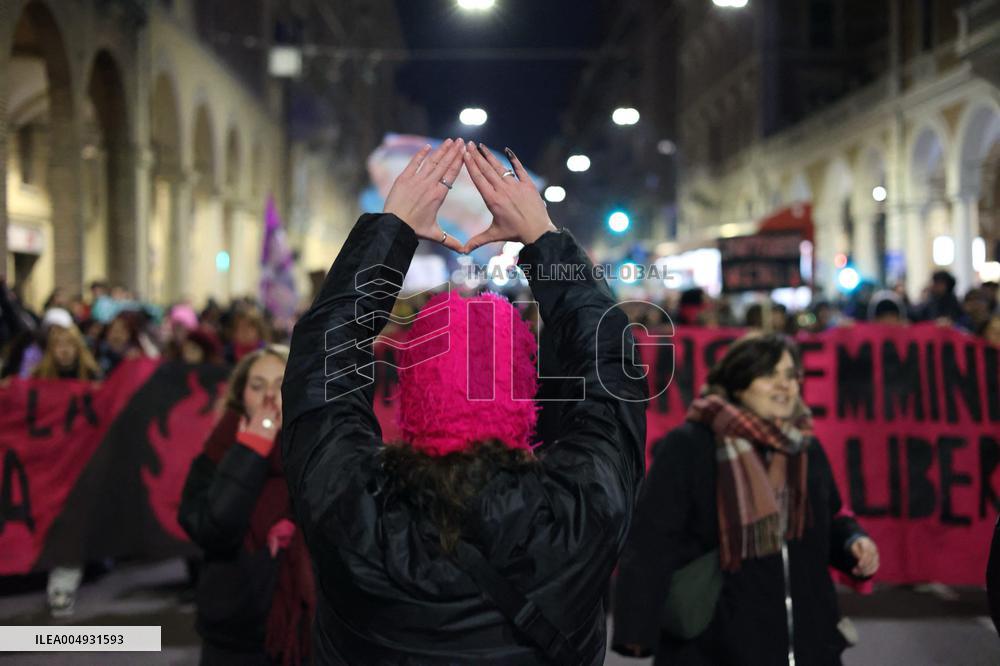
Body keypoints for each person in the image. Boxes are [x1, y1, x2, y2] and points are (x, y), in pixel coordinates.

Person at [280, 138, 647, 664]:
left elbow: (321, 360)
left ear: (412, 390)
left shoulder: (351, 507)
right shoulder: (578, 512)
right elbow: (611, 367)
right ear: (527, 393)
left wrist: (391, 232)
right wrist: (542, 240)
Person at [613, 333, 879, 665]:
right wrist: (635, 630)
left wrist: (854, 541)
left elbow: (832, 519)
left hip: (810, 643)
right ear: (738, 383)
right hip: (716, 647)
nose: (784, 385)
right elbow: (651, 540)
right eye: (770, 375)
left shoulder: (804, 447)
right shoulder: (690, 446)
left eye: (790, 375)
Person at [178, 344, 314, 665]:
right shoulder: (218, 452)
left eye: (280, 385)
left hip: (306, 632)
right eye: (257, 386)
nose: (269, 396)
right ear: (241, 397)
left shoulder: (315, 449)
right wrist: (250, 450)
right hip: (235, 632)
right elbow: (213, 527)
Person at [31, 313, 102, 616]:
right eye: (58, 345)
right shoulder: (37, 380)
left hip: (79, 465)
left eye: (68, 345)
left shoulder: (93, 379)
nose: (63, 351)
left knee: (71, 524)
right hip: (48, 465)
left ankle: (62, 585)